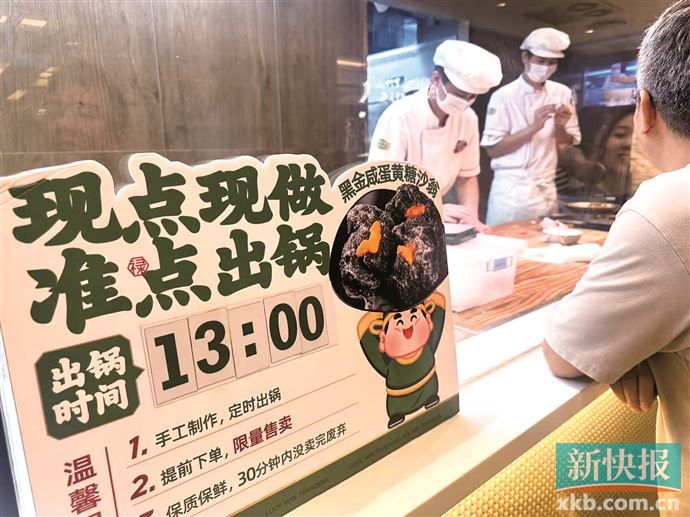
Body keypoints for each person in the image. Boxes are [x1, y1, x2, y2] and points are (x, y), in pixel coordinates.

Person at [541, 1, 690, 514]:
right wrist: (641, 334)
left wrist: (621, 331)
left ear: (644, 108)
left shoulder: (669, 207)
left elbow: (564, 354)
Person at [368, 40, 502, 229]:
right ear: (436, 79)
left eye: (472, 96)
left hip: (434, 217)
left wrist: (470, 218)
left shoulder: (468, 118)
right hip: (395, 218)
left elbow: (467, 175)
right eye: (460, 94)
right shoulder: (400, 116)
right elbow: (382, 185)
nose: (465, 102)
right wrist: (431, 209)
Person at [481, 27, 581, 225]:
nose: (546, 67)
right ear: (525, 57)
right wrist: (534, 127)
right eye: (541, 61)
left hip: (546, 188)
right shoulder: (503, 96)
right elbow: (493, 150)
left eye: (552, 62)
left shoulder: (562, 93)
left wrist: (560, 126)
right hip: (511, 193)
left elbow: (565, 144)